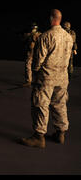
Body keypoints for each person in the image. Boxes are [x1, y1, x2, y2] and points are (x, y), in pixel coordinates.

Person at [20, 9, 73, 148]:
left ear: (51, 19)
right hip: (62, 77)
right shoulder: (68, 37)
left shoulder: (46, 36)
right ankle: (60, 133)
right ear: (60, 19)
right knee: (60, 104)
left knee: (41, 105)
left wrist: (35, 73)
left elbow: (37, 62)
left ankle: (39, 136)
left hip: (47, 78)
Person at [22, 22, 41, 87]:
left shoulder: (39, 35)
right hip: (31, 51)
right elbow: (24, 39)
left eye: (34, 29)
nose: (33, 30)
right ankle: (29, 81)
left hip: (37, 52)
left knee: (38, 66)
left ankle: (38, 80)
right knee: (28, 65)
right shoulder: (29, 34)